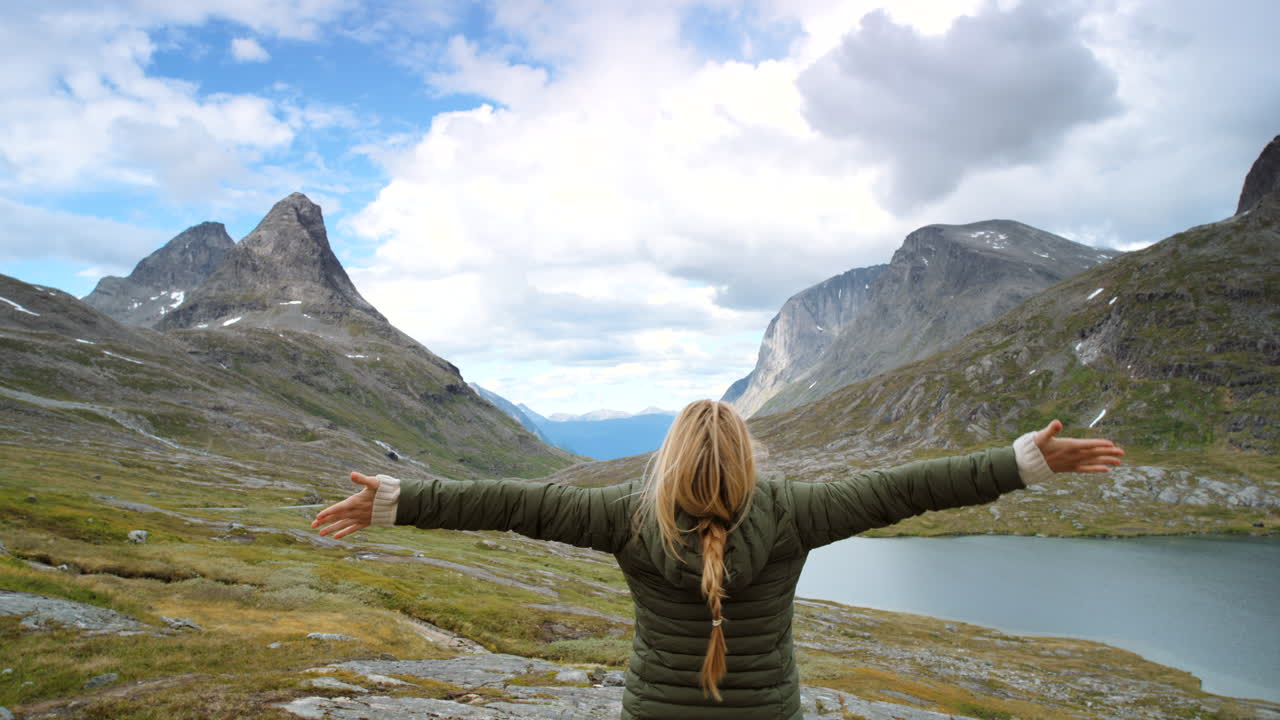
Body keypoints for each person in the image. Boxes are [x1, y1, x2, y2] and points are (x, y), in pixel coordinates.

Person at [312, 400, 1123, 720]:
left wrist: (396, 501)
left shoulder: (623, 518)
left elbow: (513, 503)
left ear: (667, 466)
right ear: (748, 461)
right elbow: (910, 489)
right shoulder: (800, 512)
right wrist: (1023, 464)